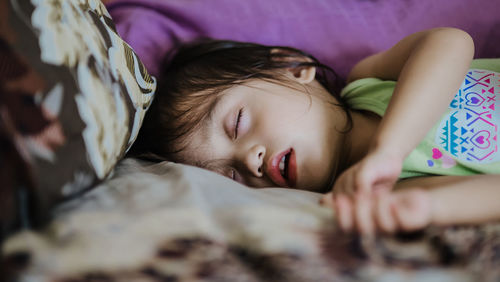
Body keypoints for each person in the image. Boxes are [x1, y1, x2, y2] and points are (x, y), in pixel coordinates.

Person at [131, 27, 500, 236]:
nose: (250, 161)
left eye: (238, 123)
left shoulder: (368, 79)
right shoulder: (381, 190)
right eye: (230, 176)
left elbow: (451, 42)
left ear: (292, 67)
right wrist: (428, 208)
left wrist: (389, 149)